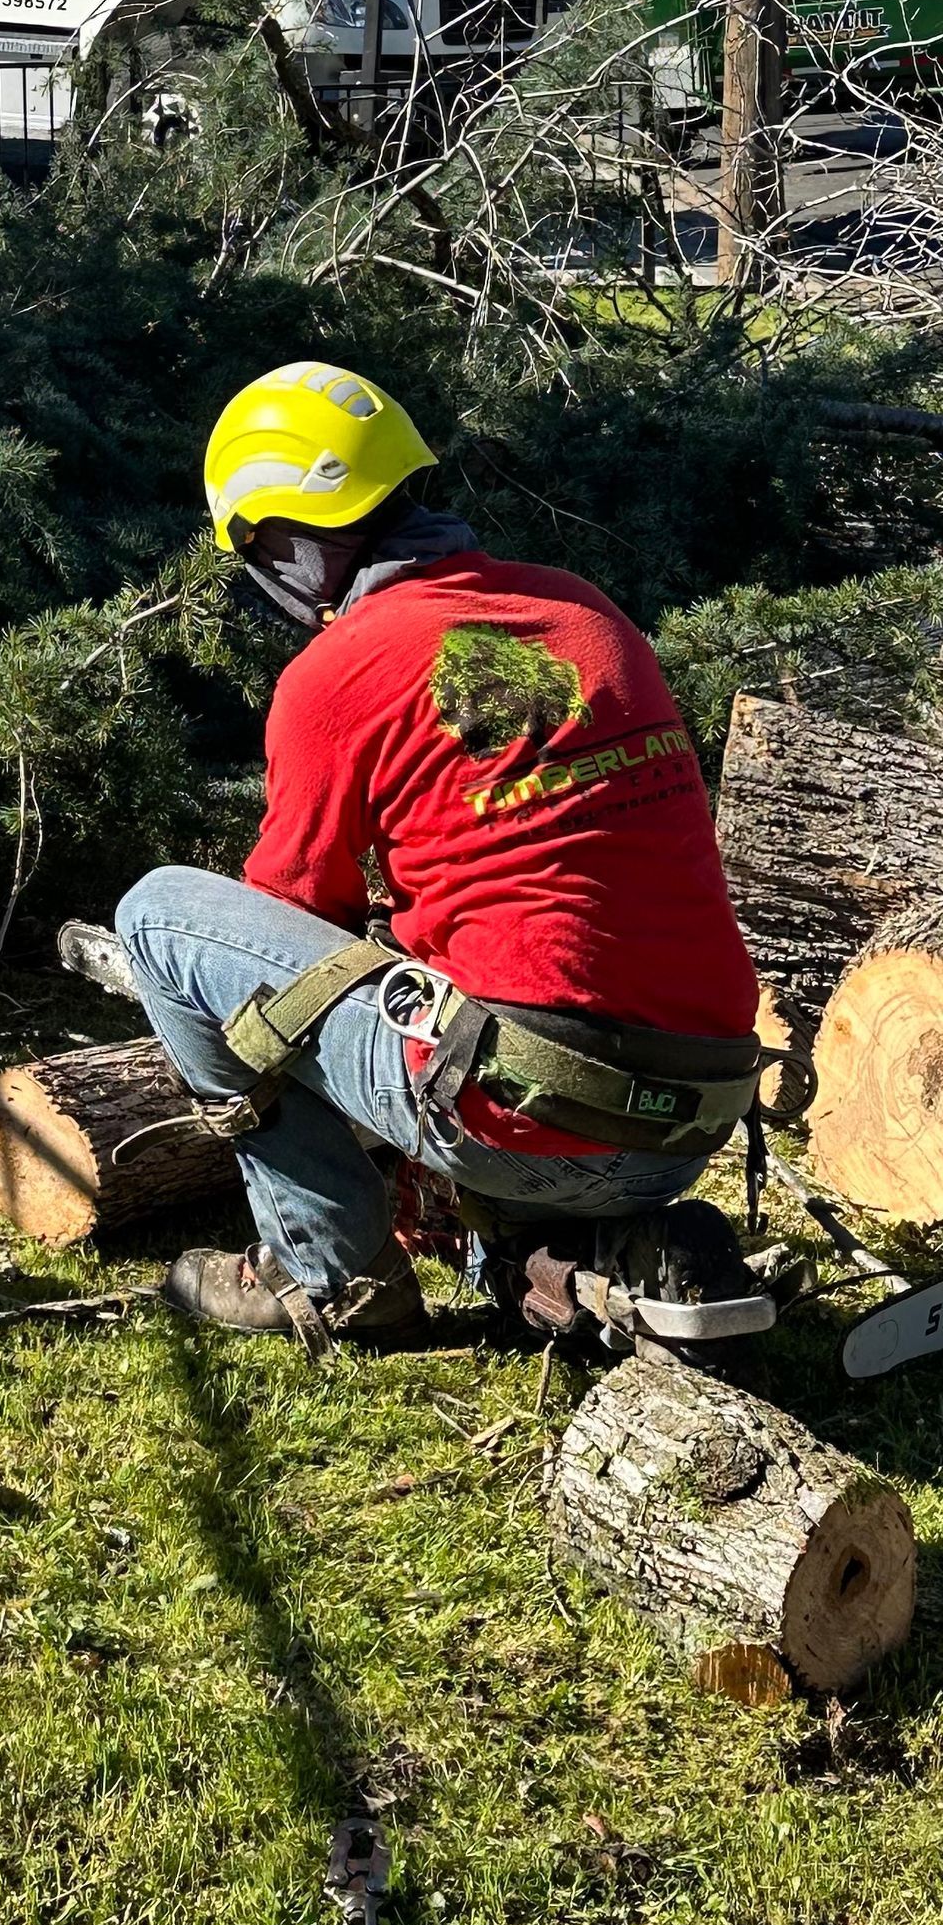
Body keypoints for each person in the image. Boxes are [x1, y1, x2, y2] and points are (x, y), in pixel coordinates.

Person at [116, 359, 763, 1353]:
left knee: (157, 914)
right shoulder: (583, 611)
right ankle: (606, 1250)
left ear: (289, 546)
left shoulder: (335, 673)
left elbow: (297, 923)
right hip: (692, 1118)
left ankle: (325, 1270)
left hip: (528, 1120)